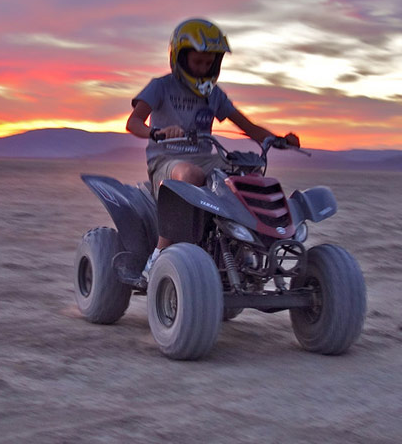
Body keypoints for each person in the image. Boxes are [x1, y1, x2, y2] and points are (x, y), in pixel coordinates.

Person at [126, 18, 299, 277]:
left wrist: (279, 140)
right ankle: (159, 255)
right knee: (190, 175)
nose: (203, 68)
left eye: (209, 63)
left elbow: (249, 128)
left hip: (205, 158)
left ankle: (243, 248)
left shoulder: (214, 94)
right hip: (166, 160)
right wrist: (157, 133)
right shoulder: (161, 86)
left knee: (247, 175)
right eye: (197, 62)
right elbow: (133, 123)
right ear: (180, 58)